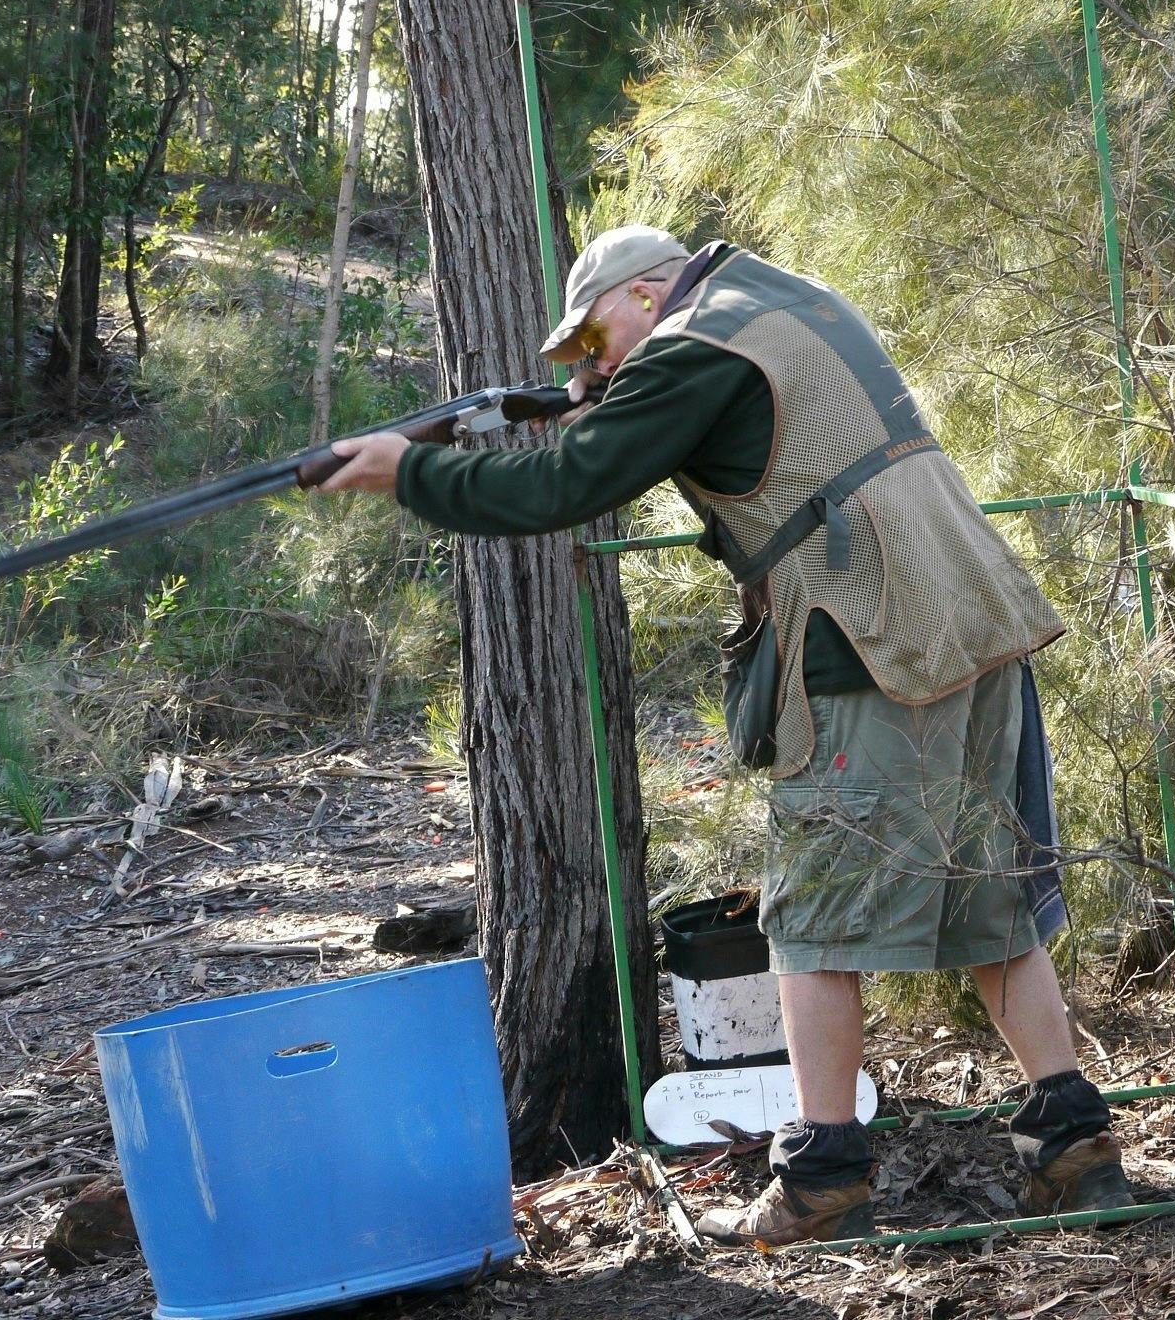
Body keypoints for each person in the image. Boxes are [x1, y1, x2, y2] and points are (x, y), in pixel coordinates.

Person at [320, 226, 1132, 1244]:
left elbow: (560, 489)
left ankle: (824, 1181)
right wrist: (603, 399)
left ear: (647, 293)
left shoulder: (689, 346)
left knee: (808, 923)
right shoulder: (780, 301)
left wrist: (411, 472)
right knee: (988, 899)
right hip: (967, 619)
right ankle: (1072, 1147)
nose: (591, 364)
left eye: (593, 339)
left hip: (867, 643)